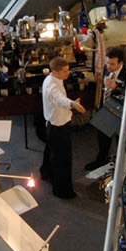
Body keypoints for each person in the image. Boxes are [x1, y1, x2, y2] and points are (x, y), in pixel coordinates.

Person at [40, 55, 85, 199]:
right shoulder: (51, 86)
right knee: (62, 160)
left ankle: (46, 173)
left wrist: (71, 102)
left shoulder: (52, 79)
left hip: (54, 124)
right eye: (65, 71)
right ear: (55, 72)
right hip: (58, 127)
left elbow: (60, 99)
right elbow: (59, 98)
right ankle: (62, 191)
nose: (68, 73)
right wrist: (73, 105)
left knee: (51, 153)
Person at [87, 45, 126, 172]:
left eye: (112, 64)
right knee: (103, 136)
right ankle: (101, 159)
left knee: (121, 139)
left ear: (121, 63)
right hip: (108, 107)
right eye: (107, 63)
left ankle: (122, 164)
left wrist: (115, 87)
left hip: (121, 109)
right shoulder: (106, 68)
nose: (109, 66)